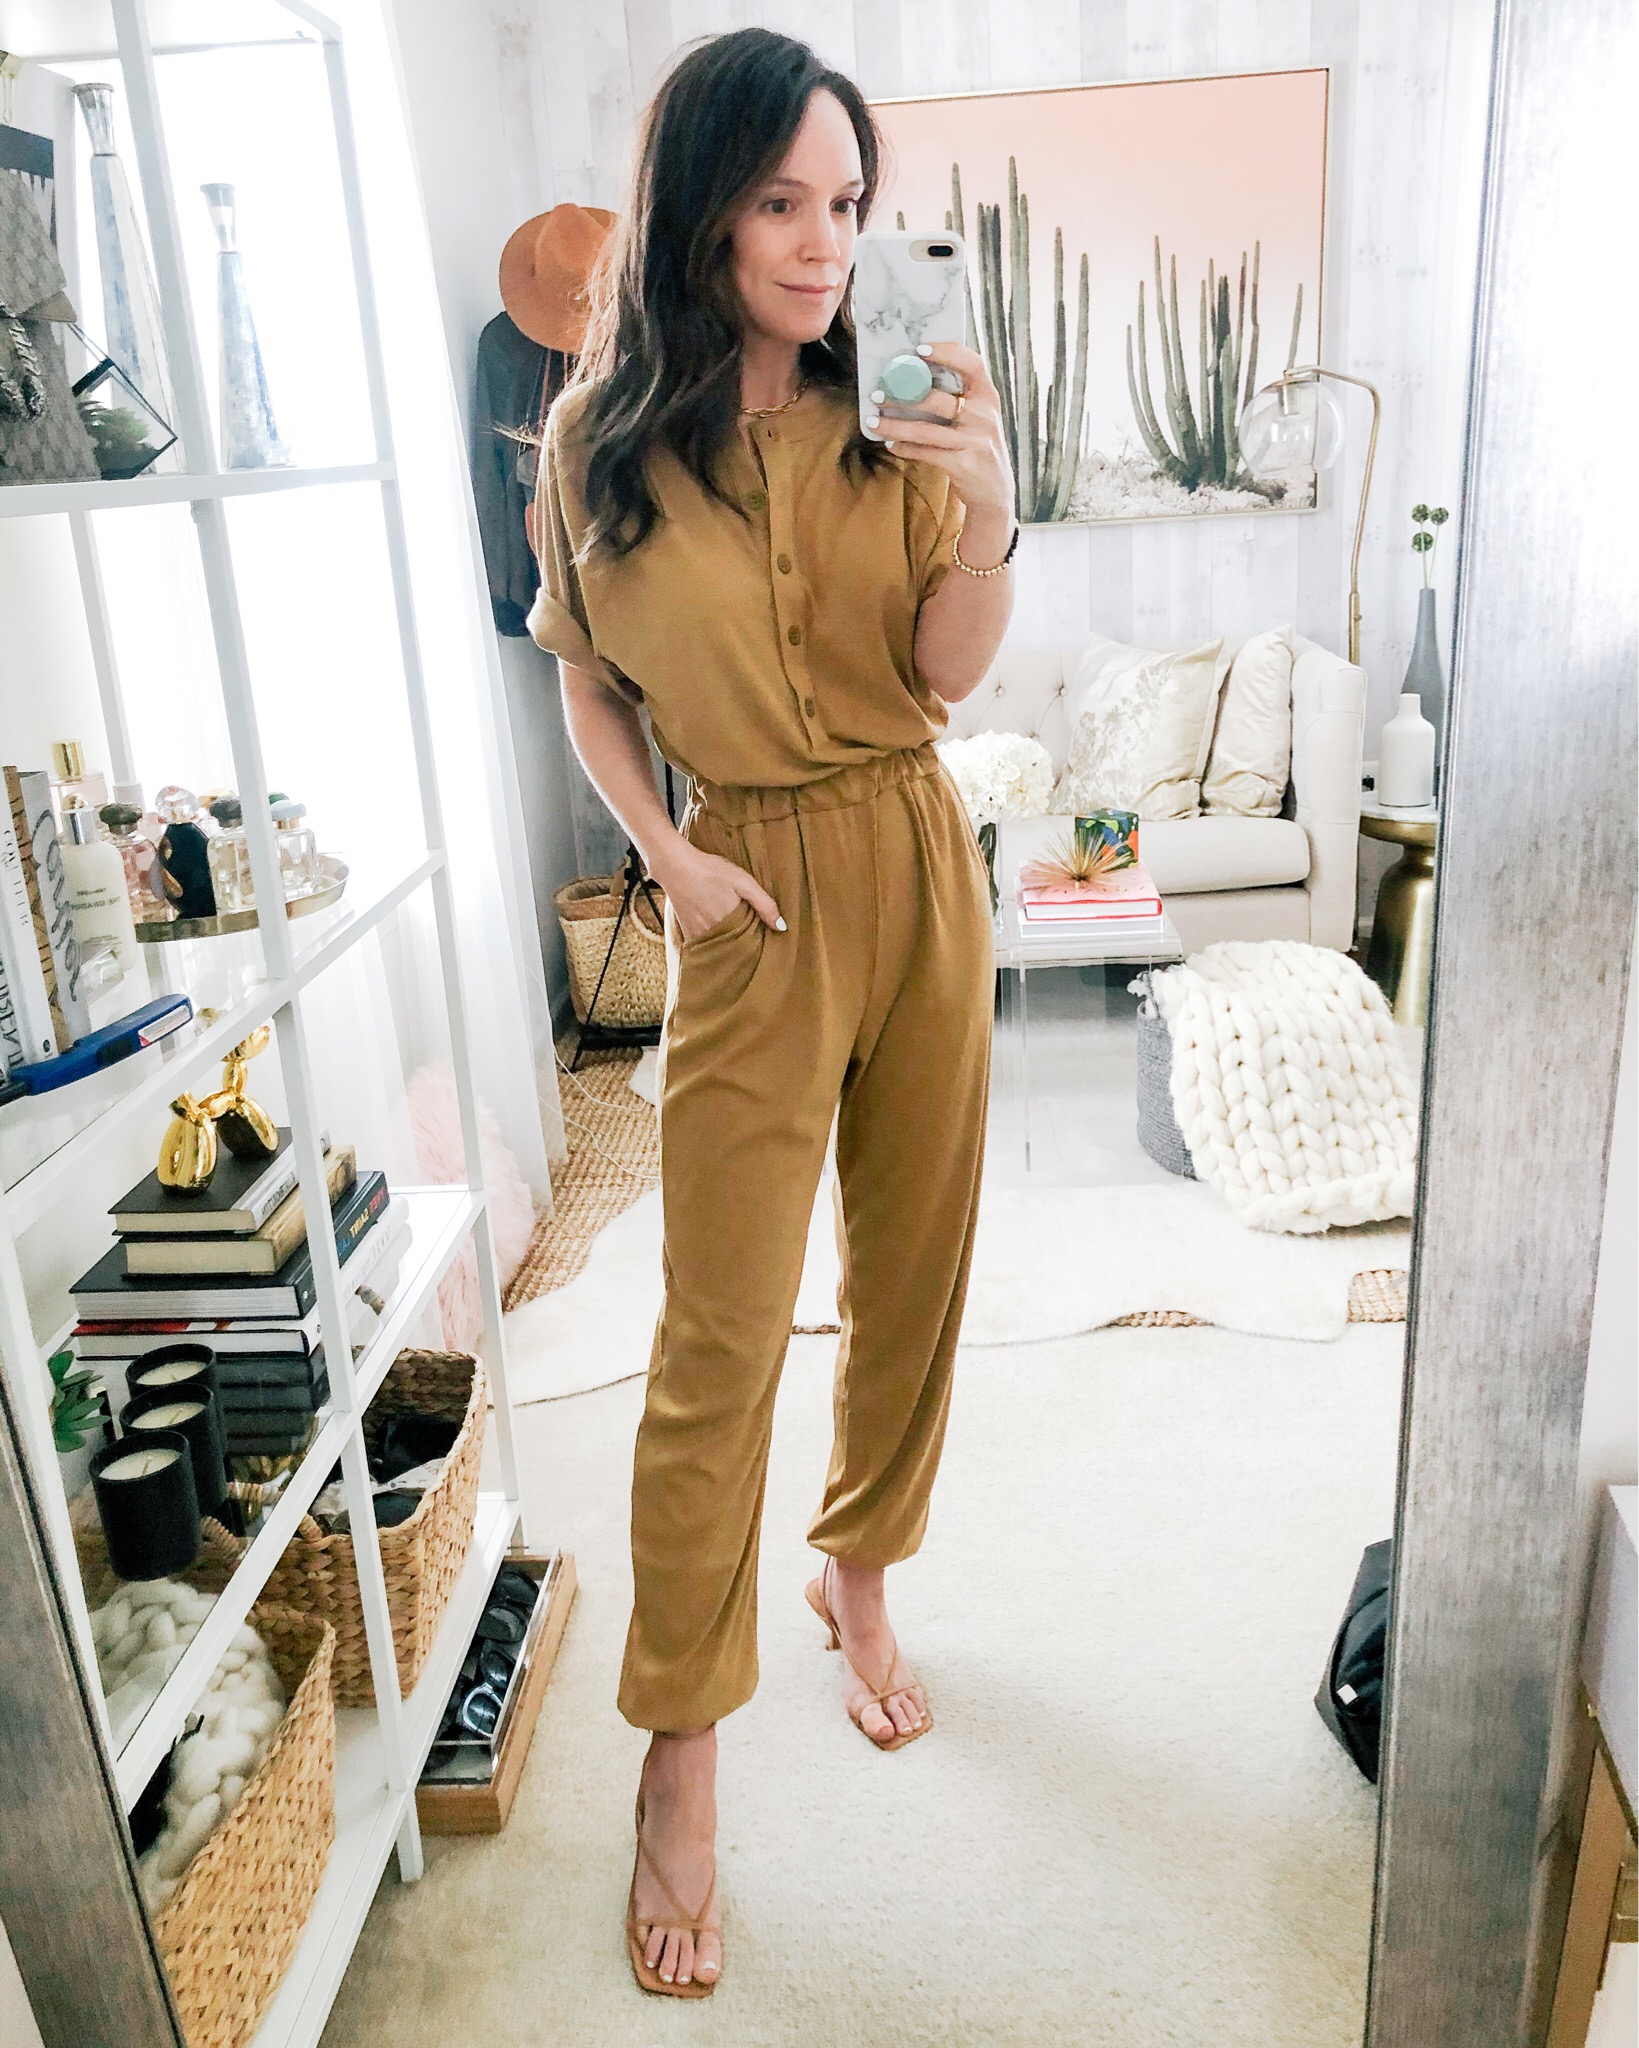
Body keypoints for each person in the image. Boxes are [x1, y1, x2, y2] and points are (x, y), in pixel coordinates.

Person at [527, 26, 1016, 1999]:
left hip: (915, 853)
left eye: (849, 205)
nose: (823, 246)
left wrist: (991, 503)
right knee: (714, 1336)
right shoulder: (594, 445)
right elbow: (585, 675)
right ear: (700, 214)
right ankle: (680, 1746)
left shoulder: (897, 417)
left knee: (912, 1269)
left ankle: (857, 1575)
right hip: (741, 887)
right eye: (782, 202)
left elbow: (948, 674)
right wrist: (658, 847)